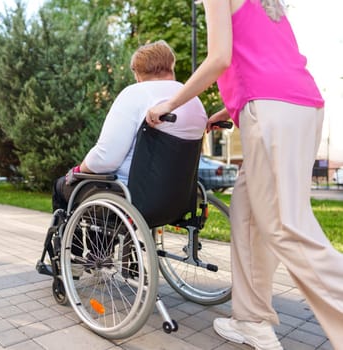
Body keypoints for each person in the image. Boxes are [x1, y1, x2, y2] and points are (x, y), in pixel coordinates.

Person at [146, 1, 343, 349]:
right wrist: (227, 109)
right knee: (248, 214)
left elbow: (219, 58)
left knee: (285, 226)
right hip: (299, 105)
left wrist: (169, 104)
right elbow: (262, 60)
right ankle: (251, 319)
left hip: (273, 111)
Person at [52, 40, 207, 211]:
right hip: (179, 198)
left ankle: (85, 238)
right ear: (171, 66)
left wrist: (77, 170)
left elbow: (105, 160)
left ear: (137, 73)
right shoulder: (193, 99)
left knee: (62, 186)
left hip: (130, 194)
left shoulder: (135, 94)